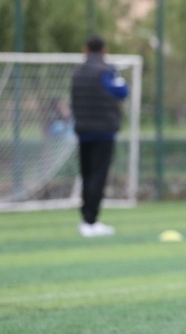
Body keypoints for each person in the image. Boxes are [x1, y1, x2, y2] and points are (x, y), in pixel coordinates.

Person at [70, 36, 129, 237]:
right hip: (104, 132)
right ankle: (91, 220)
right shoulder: (106, 71)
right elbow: (122, 92)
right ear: (104, 50)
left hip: (83, 131)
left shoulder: (77, 73)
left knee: (87, 175)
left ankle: (86, 219)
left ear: (85, 49)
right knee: (98, 176)